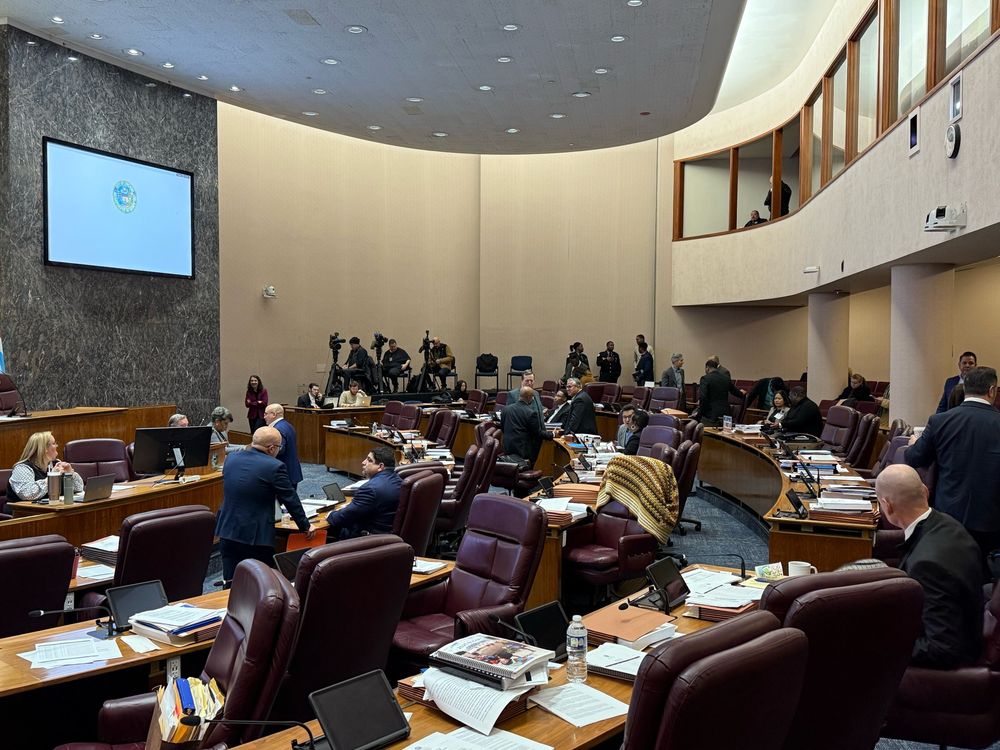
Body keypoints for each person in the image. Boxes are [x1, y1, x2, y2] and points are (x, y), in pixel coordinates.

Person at [875, 464, 983, 669]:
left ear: (887, 505)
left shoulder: (927, 565)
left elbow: (942, 649)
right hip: (963, 626)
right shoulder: (948, 524)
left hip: (947, 671)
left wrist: (881, 646)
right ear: (925, 491)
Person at [906, 366, 1000, 564]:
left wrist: (914, 444)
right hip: (992, 518)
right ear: (992, 390)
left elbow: (914, 459)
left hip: (948, 515)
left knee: (950, 570)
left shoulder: (940, 421)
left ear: (965, 389)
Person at [215, 426, 315, 581]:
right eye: (279, 448)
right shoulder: (274, 467)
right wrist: (305, 526)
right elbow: (290, 499)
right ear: (271, 448)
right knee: (260, 582)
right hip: (255, 536)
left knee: (230, 581)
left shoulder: (231, 459)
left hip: (228, 530)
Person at [324, 446, 402, 540]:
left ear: (380, 466)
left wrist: (331, 514)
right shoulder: (399, 481)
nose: (363, 462)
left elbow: (341, 518)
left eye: (369, 460)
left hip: (366, 541)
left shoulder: (370, 489)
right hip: (388, 537)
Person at [7, 431, 84, 501]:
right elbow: (27, 494)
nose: (57, 446)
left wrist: (70, 474)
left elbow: (79, 488)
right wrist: (52, 478)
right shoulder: (22, 469)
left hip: (53, 509)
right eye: (54, 443)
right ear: (44, 448)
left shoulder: (55, 463)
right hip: (24, 513)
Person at [501, 387, 549, 465]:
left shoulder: (506, 409)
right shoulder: (531, 413)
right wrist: (552, 434)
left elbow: (503, 428)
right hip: (523, 452)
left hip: (507, 448)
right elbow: (537, 433)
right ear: (529, 397)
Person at [692, 359, 742, 427]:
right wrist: (742, 393)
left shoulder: (705, 378)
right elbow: (736, 392)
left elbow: (703, 398)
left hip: (711, 416)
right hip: (726, 415)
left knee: (697, 426)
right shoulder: (726, 378)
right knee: (725, 435)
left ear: (707, 368)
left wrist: (699, 414)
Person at [263, 403, 303, 486]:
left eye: (266, 414)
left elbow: (280, 450)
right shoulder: (287, 425)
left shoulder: (277, 429)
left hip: (283, 473)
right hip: (290, 470)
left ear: (274, 414)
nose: (264, 417)